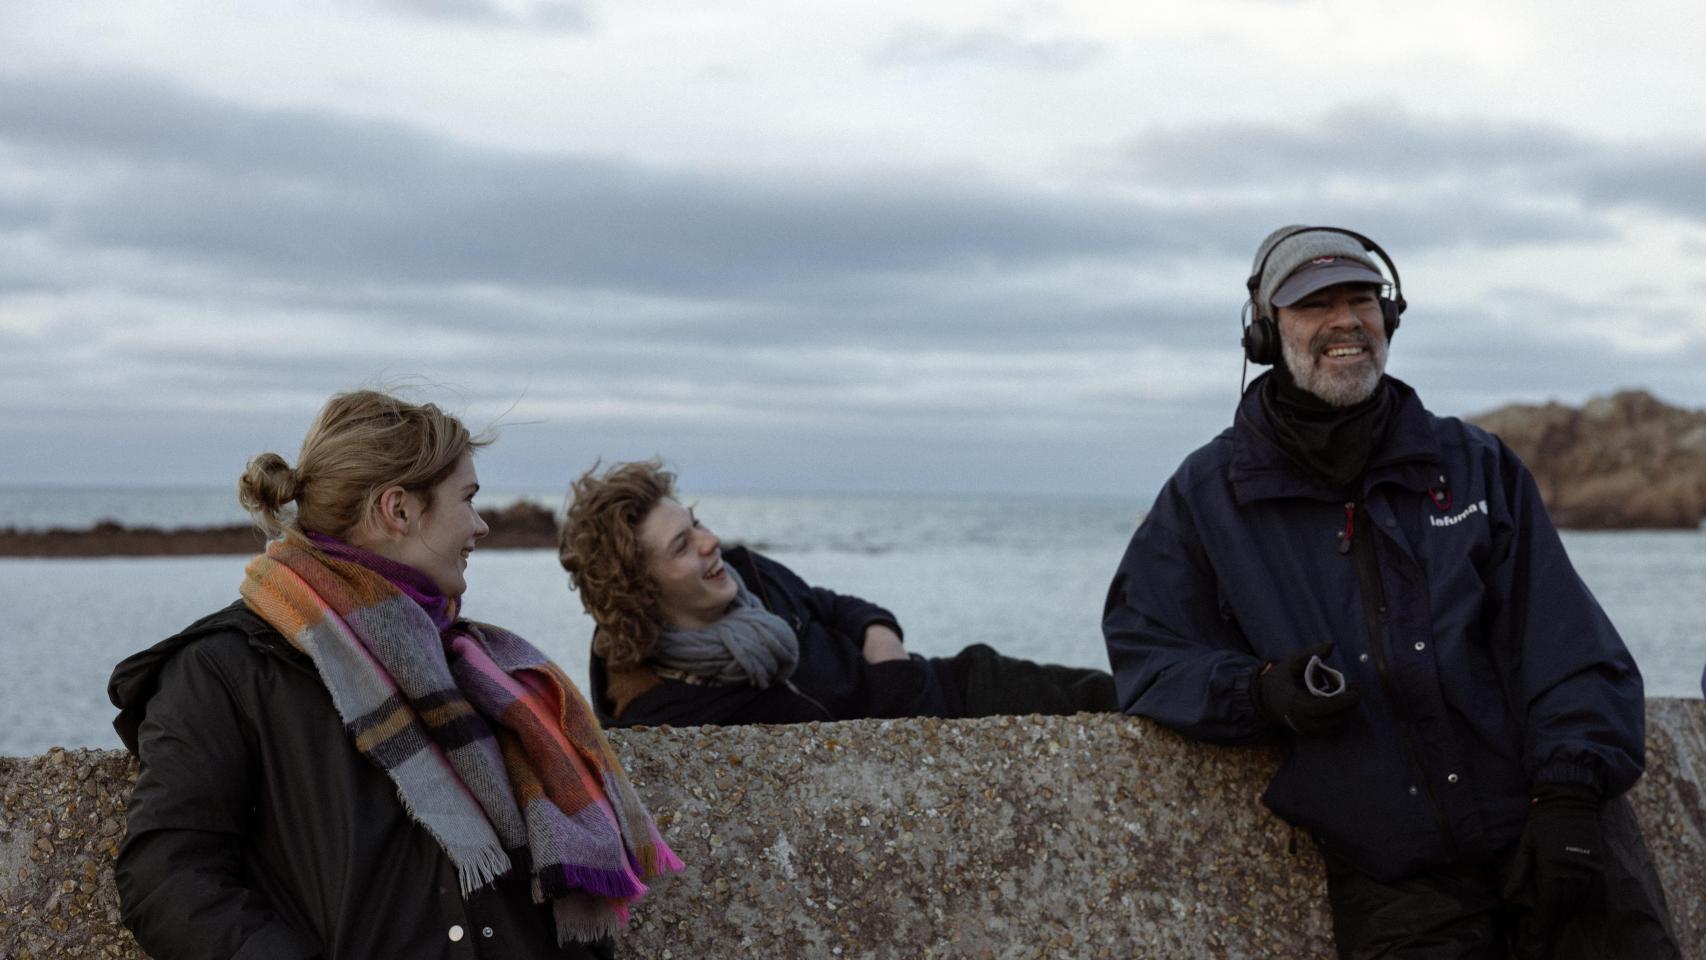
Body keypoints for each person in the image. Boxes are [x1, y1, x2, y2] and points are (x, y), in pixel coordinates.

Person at [1102, 226, 1678, 959]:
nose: (1346, 320)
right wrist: (1260, 691)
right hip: (1394, 876)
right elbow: (1146, 650)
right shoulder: (1208, 494)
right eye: (1315, 304)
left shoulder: (1475, 465)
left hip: (1555, 825)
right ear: (1263, 332)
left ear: (1390, 315)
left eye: (1362, 298)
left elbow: (1566, 644)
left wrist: (1569, 794)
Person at [108, 390, 681, 960]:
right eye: (468, 499)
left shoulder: (473, 665)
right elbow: (166, 875)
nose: (480, 526)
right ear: (399, 510)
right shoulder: (225, 668)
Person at [557, 459, 1116, 727]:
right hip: (907, 751)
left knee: (1115, 696)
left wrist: (886, 654)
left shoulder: (749, 572)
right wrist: (887, 699)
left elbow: (844, 608)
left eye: (697, 522)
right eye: (683, 545)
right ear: (642, 591)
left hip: (952, 685)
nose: (711, 542)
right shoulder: (663, 712)